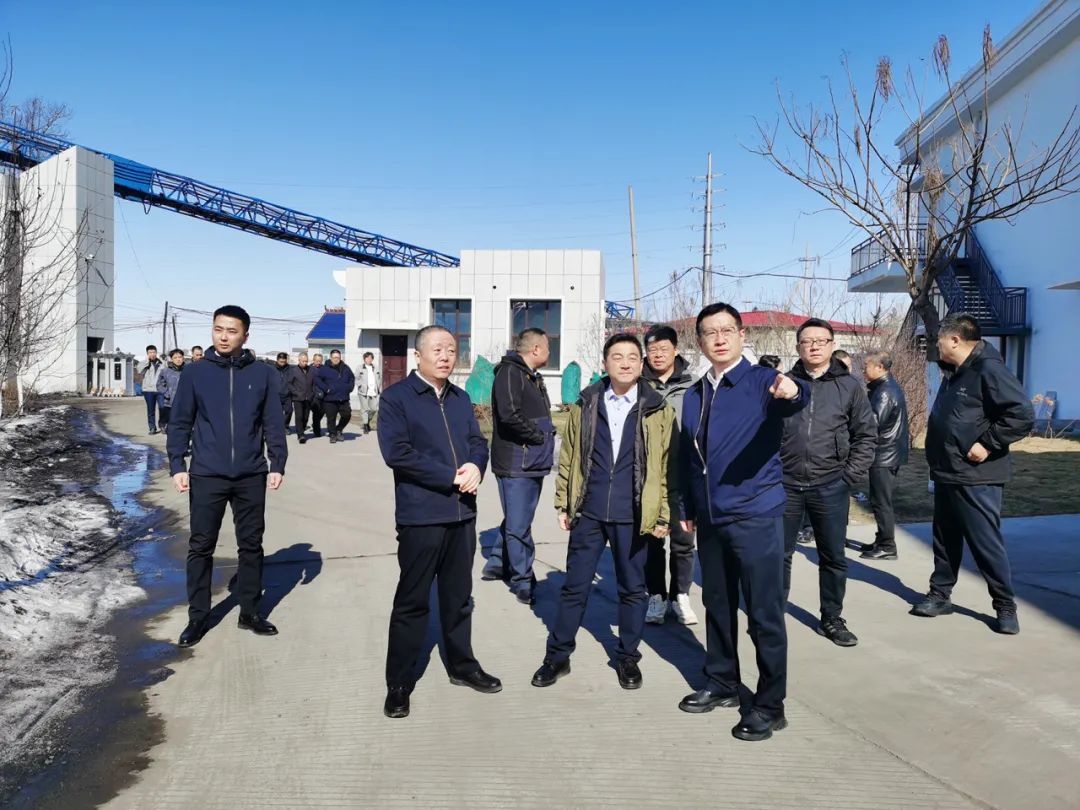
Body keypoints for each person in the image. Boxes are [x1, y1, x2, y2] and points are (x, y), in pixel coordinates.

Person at [678, 302, 808, 742]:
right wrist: (687, 507)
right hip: (711, 518)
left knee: (763, 612)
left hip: (755, 514)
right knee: (717, 604)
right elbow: (689, 458)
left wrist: (794, 390)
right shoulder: (695, 393)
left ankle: (770, 705)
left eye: (727, 330)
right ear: (699, 341)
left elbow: (796, 398)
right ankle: (722, 682)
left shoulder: (762, 381)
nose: (719, 339)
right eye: (709, 332)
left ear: (740, 335)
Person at [532, 332, 675, 691]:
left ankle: (627, 657)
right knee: (574, 587)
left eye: (632, 357)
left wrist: (664, 514)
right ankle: (557, 656)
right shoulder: (587, 403)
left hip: (633, 513)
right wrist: (564, 502)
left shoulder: (658, 409)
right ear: (605, 363)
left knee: (633, 590)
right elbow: (569, 456)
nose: (625, 363)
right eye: (617, 357)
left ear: (641, 364)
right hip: (590, 511)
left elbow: (667, 466)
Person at [377, 325, 499, 719]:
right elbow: (397, 453)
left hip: (462, 514)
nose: (446, 356)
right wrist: (450, 476)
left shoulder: (460, 398)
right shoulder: (397, 398)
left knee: (458, 598)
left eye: (451, 349)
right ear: (418, 355)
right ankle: (399, 682)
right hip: (421, 516)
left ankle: (462, 665)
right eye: (437, 349)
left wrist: (476, 466)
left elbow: (478, 442)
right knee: (412, 602)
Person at [166, 305, 288, 648]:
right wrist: (177, 464)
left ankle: (250, 611)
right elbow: (180, 421)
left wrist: (277, 462)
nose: (223, 336)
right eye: (218, 329)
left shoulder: (263, 374)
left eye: (231, 331)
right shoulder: (195, 373)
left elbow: (273, 422)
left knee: (251, 544)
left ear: (245, 336)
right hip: (207, 474)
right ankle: (198, 616)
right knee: (201, 545)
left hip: (251, 473)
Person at [911, 314, 1033, 635]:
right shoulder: (956, 371)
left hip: (977, 475)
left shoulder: (989, 370)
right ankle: (940, 595)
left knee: (985, 543)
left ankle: (1005, 606)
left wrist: (987, 444)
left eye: (939, 338)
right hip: (948, 471)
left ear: (955, 340)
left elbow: (1021, 415)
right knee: (944, 539)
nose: (935, 344)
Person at [779, 319, 876, 648]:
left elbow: (866, 436)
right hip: (786, 485)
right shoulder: (785, 383)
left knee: (833, 556)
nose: (814, 346)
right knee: (779, 554)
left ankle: (831, 618)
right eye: (807, 341)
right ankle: (773, 614)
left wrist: (848, 477)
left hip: (830, 484)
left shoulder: (849, 387)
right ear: (798, 347)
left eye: (821, 340)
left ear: (832, 345)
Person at [482, 328, 556, 604]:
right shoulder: (510, 373)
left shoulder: (531, 376)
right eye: (547, 346)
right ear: (535, 349)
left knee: (518, 517)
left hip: (533, 460)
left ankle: (497, 561)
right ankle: (522, 579)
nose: (549, 352)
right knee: (519, 524)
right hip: (517, 462)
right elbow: (509, 415)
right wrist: (538, 437)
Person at [641, 323, 699, 626]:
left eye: (664, 349)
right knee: (652, 541)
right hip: (649, 477)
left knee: (683, 540)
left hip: (683, 476)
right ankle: (656, 596)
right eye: (652, 350)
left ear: (675, 350)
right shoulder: (638, 385)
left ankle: (680, 595)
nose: (658, 355)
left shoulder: (694, 385)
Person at [860, 350, 910, 561]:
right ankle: (881, 539)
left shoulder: (885, 391)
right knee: (878, 499)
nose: (863, 370)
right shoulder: (882, 388)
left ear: (879, 367)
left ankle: (888, 546)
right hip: (886, 453)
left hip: (885, 454)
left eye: (866, 366)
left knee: (881, 502)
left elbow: (872, 422)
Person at [314, 349, 355, 443]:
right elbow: (317, 379)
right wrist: (326, 389)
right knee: (331, 418)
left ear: (340, 357)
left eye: (338, 357)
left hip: (343, 397)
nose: (336, 359)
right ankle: (332, 434)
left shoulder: (345, 368)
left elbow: (352, 378)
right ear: (331, 358)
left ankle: (339, 429)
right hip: (330, 398)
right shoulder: (324, 368)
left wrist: (349, 388)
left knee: (347, 414)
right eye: (334, 357)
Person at [286, 351, 317, 444]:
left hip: (308, 397)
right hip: (298, 398)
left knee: (306, 417)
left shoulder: (311, 370)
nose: (305, 363)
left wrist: (313, 392)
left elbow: (314, 383)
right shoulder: (294, 370)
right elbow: (289, 383)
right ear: (299, 360)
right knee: (299, 416)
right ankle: (300, 435)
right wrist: (295, 392)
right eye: (303, 361)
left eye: (306, 361)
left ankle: (302, 429)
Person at [156, 349, 185, 433]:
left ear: (183, 358)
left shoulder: (188, 370)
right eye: (175, 357)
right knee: (170, 421)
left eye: (180, 357)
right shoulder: (165, 371)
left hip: (184, 401)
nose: (178, 359)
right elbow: (159, 384)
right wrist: (166, 393)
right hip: (169, 402)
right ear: (171, 359)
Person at [139, 345, 164, 435]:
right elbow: (139, 371)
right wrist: (147, 362)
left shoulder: (161, 363)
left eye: (154, 352)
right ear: (147, 354)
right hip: (148, 390)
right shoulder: (143, 363)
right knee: (151, 410)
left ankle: (162, 425)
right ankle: (152, 428)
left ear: (156, 353)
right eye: (150, 352)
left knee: (163, 408)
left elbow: (166, 372)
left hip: (160, 390)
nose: (152, 354)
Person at [357, 351, 382, 434]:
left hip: (374, 391)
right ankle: (365, 426)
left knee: (374, 409)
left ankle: (367, 421)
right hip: (363, 392)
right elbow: (356, 378)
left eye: (371, 358)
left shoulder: (376, 367)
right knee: (365, 409)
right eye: (367, 358)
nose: (369, 359)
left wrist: (378, 387)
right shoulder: (360, 367)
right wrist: (360, 385)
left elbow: (379, 377)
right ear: (364, 359)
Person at [274, 352, 294, 432]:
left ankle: (285, 426)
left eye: (284, 361)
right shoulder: (272, 369)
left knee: (289, 411)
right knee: (276, 413)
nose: (282, 363)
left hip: (287, 394)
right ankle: (277, 427)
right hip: (276, 395)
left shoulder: (290, 369)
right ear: (277, 360)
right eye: (281, 361)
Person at [310, 353, 326, 438]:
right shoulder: (309, 369)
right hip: (313, 394)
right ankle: (317, 431)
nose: (318, 363)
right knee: (316, 413)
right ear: (313, 360)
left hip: (323, 394)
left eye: (320, 361)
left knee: (323, 411)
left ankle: (315, 424)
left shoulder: (325, 369)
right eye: (317, 361)